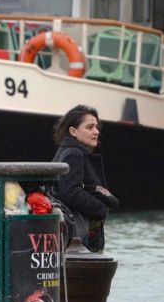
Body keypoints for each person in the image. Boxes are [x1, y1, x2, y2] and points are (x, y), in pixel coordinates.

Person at [51, 105, 118, 253]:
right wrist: (101, 209)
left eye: (96, 127)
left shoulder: (65, 151)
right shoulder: (74, 154)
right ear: (73, 131)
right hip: (79, 240)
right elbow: (70, 192)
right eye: (89, 127)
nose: (96, 132)